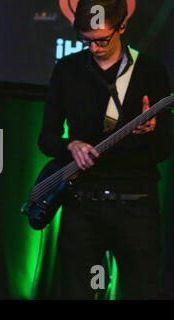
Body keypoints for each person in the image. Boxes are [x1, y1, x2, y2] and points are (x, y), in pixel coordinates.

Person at [38, 0, 172, 299]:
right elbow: (46, 139)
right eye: (86, 41)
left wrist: (151, 132)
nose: (94, 48)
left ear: (122, 27)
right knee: (76, 292)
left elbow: (164, 148)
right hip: (83, 205)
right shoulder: (68, 69)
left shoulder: (151, 70)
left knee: (142, 291)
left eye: (102, 40)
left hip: (137, 206)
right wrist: (70, 145)